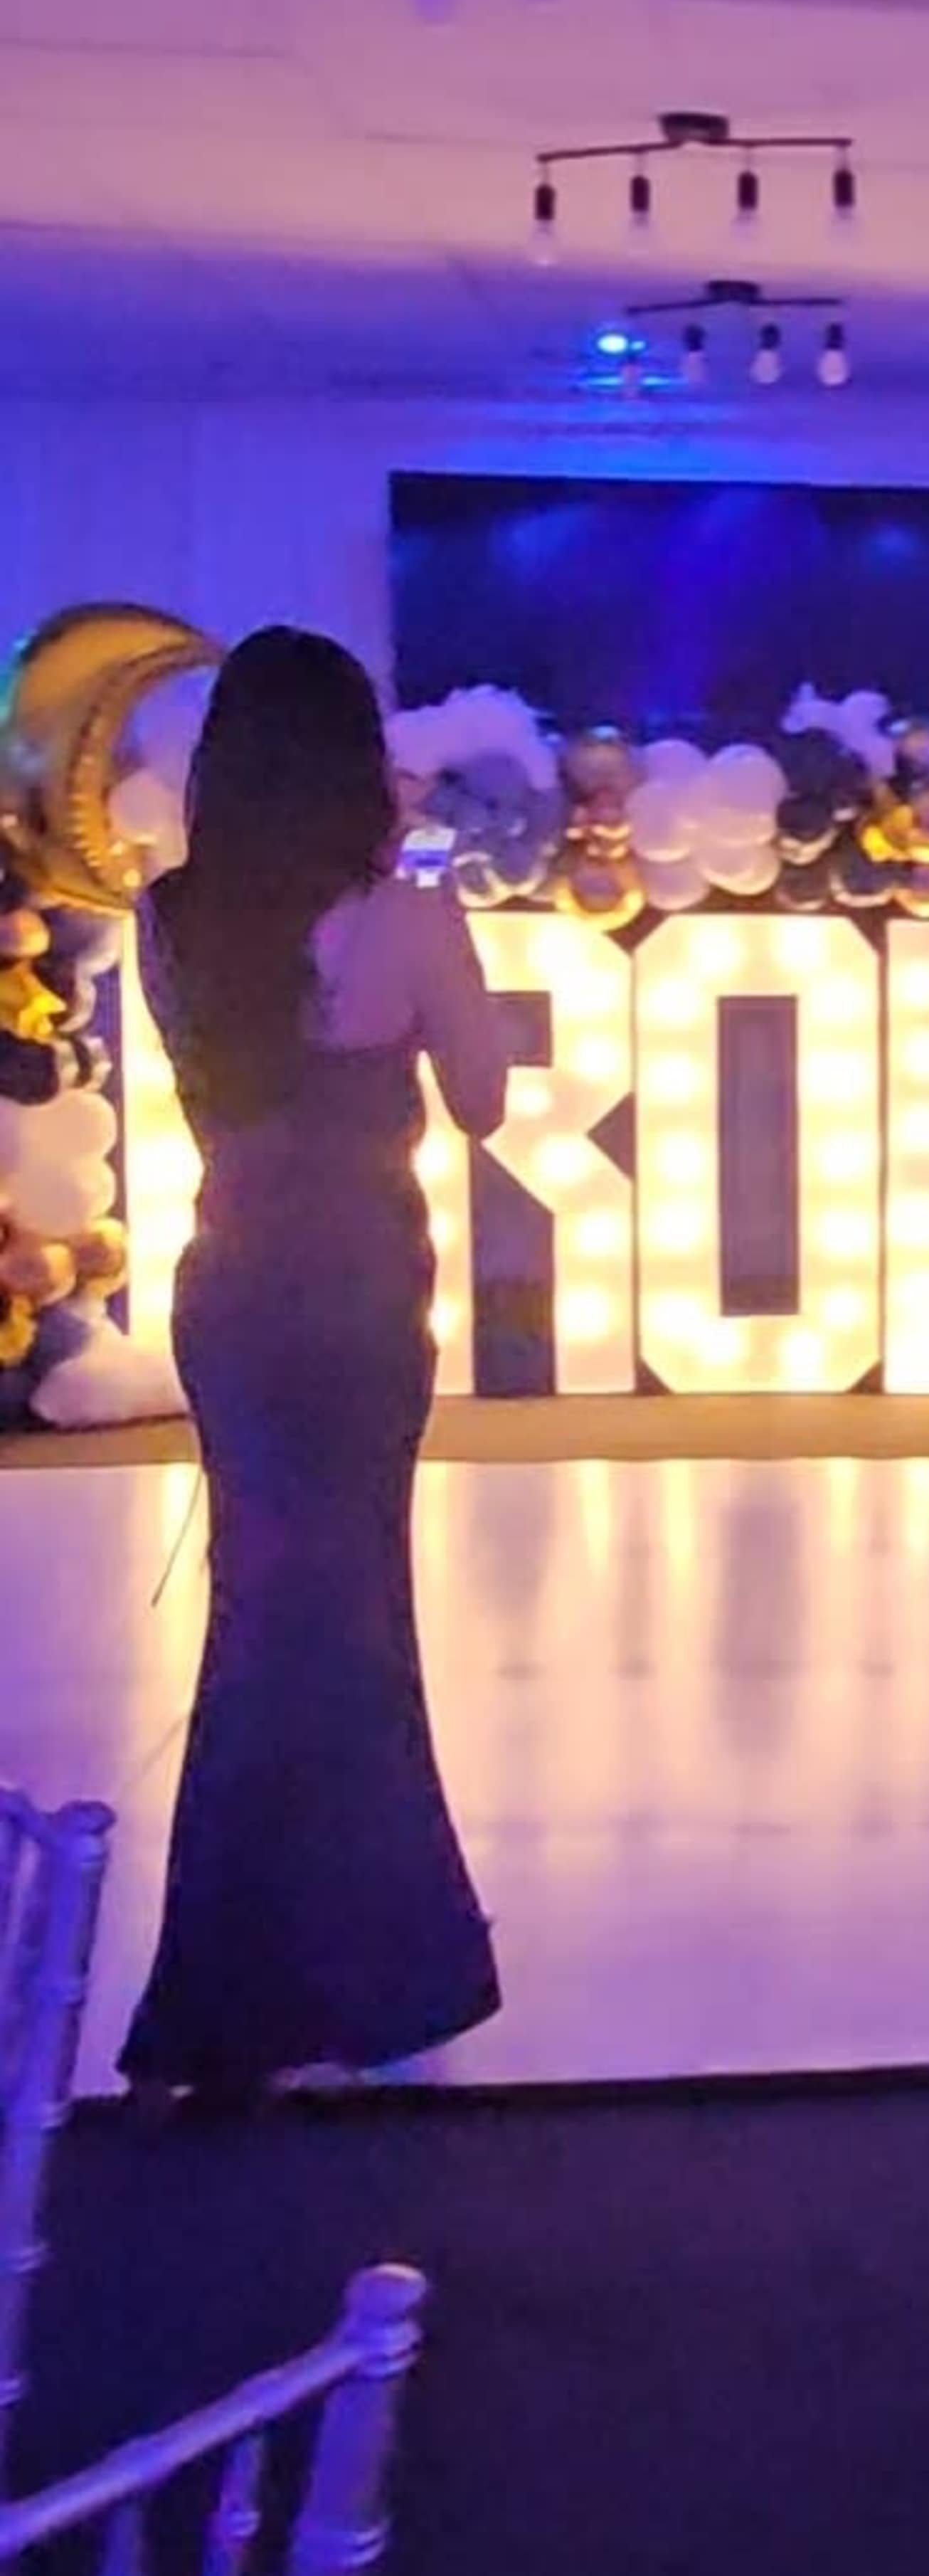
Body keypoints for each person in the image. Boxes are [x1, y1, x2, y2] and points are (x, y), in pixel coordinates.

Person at [124, 627, 509, 2104]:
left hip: (229, 1298)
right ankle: (368, 1976)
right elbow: (480, 1103)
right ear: (360, 770)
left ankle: (230, 1994)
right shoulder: (406, 921)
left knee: (257, 1624)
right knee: (354, 1633)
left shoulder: (174, 920)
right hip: (355, 1307)